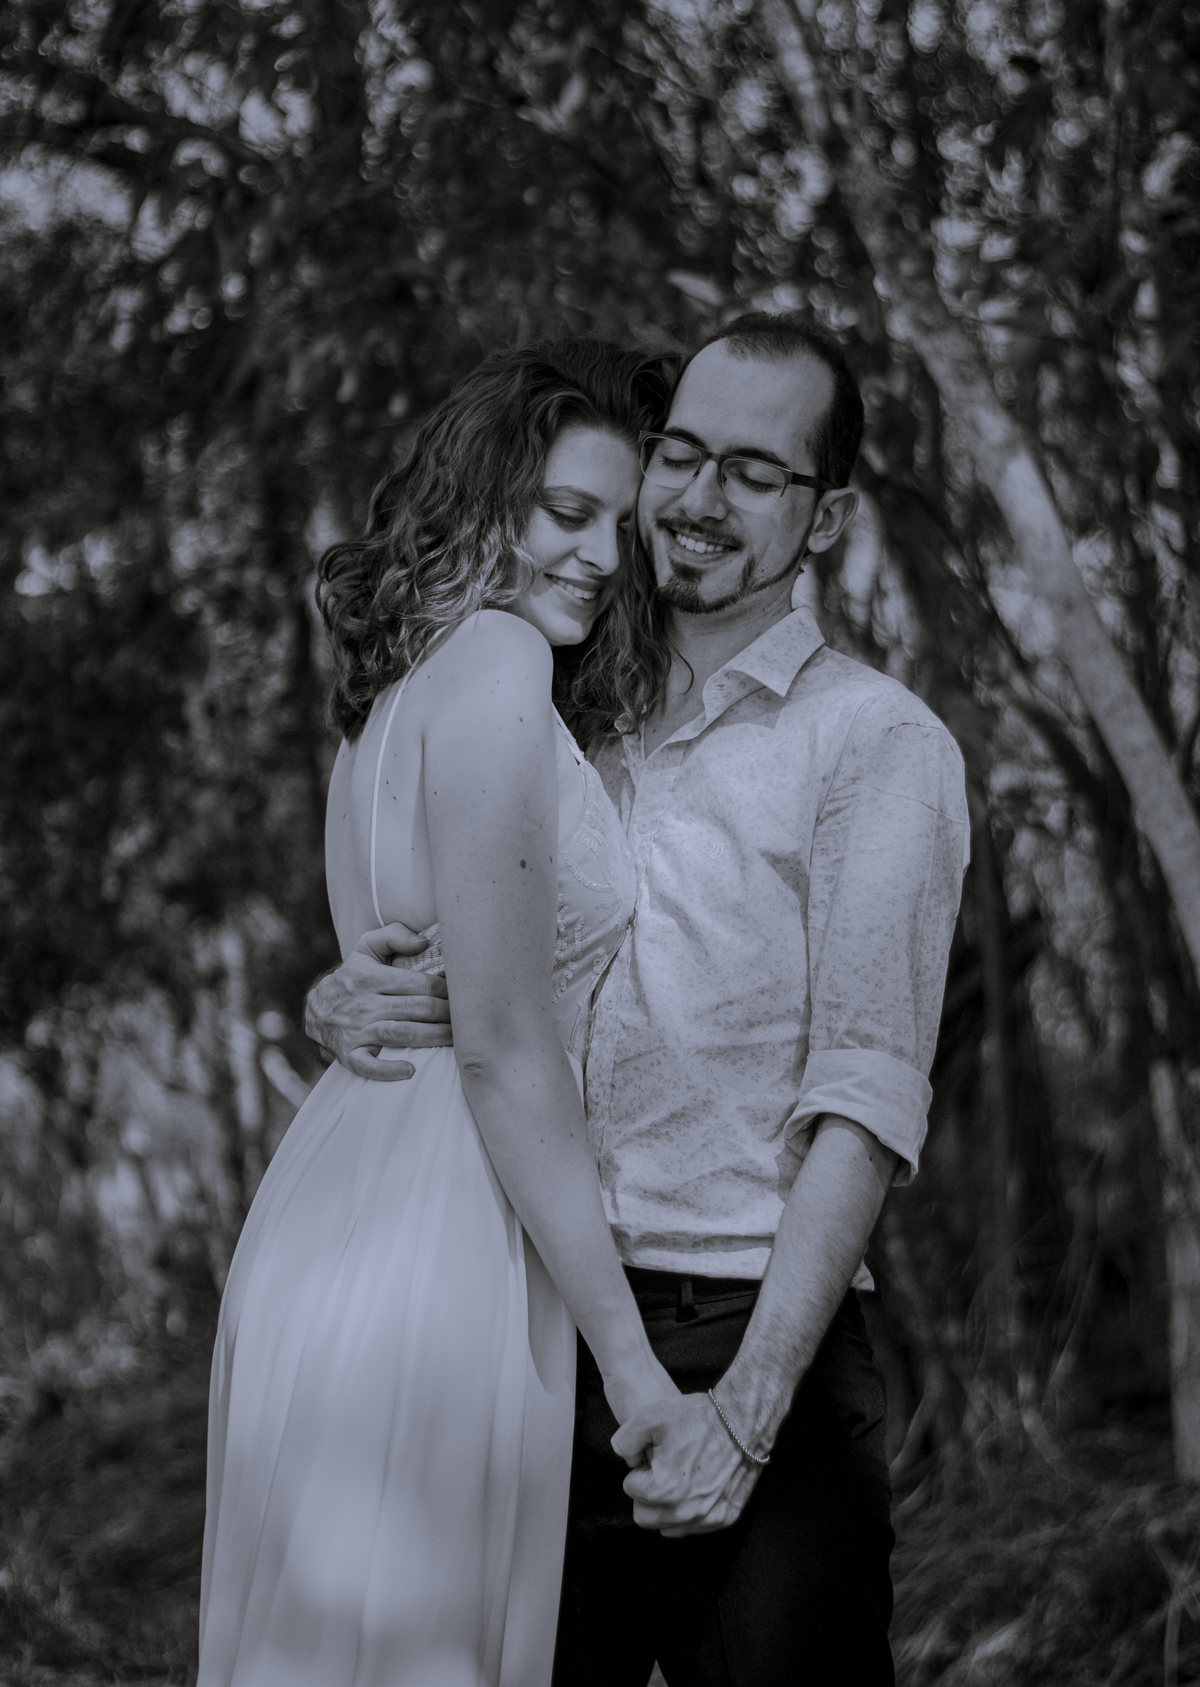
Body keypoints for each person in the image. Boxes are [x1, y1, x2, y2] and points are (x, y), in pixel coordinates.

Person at [306, 313, 970, 1686]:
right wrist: (353, 992)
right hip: (525, 1323)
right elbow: (494, 983)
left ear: (826, 516)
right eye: (681, 455)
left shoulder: (875, 743)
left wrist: (748, 1410)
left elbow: (864, 1101)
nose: (699, 498)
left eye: (754, 472)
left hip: (746, 1339)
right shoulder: (560, 703)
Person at [197, 339, 685, 1687]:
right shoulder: (499, 659)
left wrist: (331, 999)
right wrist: (632, 1364)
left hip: (335, 1196)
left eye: (622, 527)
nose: (601, 556)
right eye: (567, 512)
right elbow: (505, 1048)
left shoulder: (391, 697)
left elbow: (402, 960)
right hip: (447, 1220)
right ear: (485, 501)